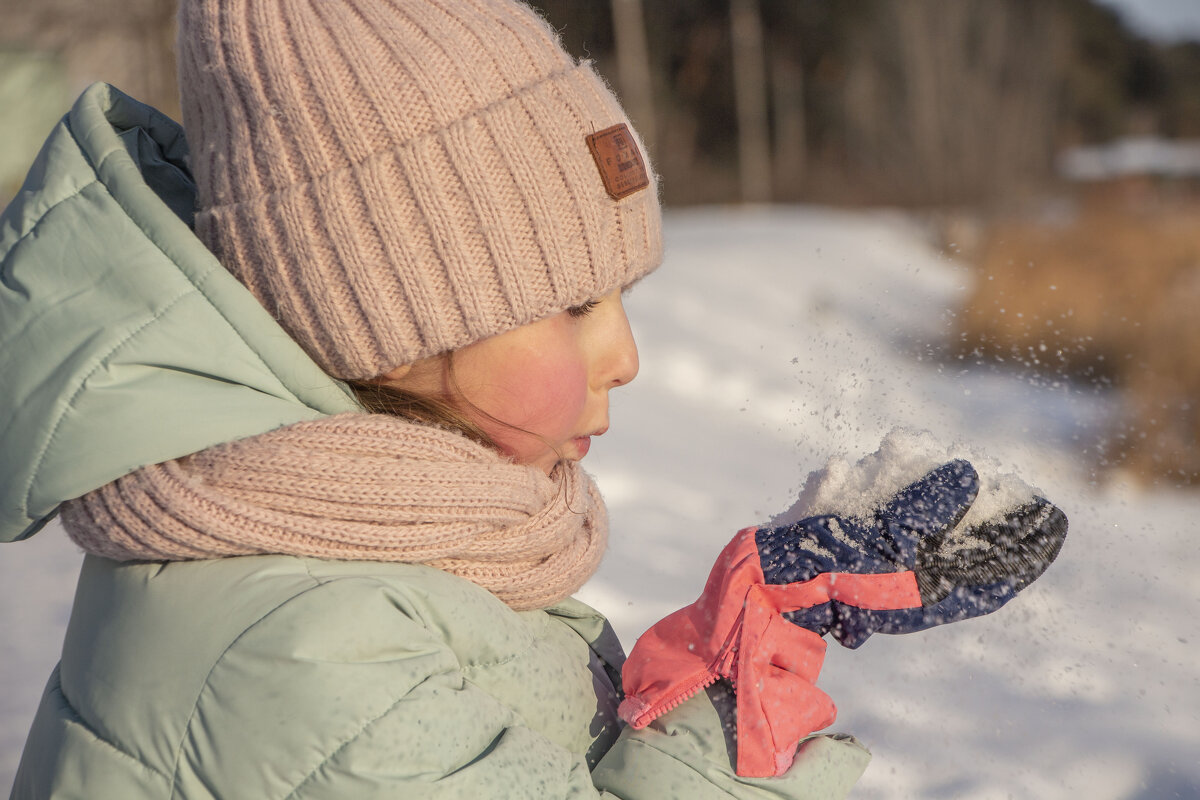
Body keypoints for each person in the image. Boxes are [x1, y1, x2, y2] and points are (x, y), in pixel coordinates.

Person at [0, 1, 1064, 797]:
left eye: (622, 295)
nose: (625, 355)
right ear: (390, 318)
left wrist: (743, 646)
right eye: (572, 305)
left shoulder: (370, 533)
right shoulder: (302, 642)